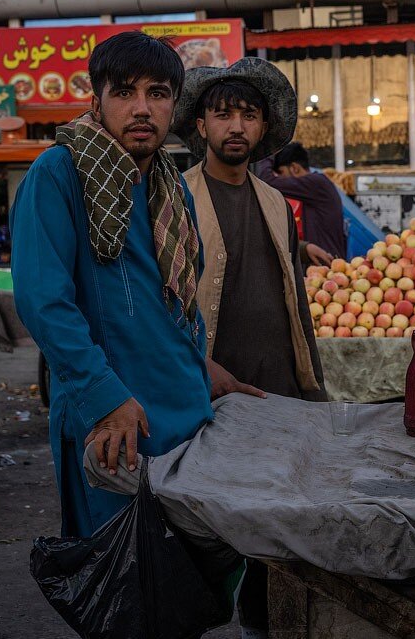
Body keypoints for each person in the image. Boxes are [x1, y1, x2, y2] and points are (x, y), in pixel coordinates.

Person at [10, 32, 261, 539]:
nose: (141, 108)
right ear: (96, 100)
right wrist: (104, 399)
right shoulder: (58, 173)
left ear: (174, 104)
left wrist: (200, 365)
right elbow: (45, 303)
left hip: (183, 414)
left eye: (157, 93)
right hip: (115, 423)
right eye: (124, 93)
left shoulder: (170, 185)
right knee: (126, 587)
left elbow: (171, 303)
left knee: (186, 587)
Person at [173, 58, 326, 639]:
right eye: (223, 114)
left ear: (263, 128)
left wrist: (310, 383)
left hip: (277, 389)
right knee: (203, 529)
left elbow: (296, 300)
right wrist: (190, 367)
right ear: (201, 126)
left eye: (248, 115)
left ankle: (262, 623)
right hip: (207, 390)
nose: (236, 125)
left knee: (276, 531)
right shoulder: (177, 199)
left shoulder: (274, 202)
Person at [256, 141, 347, 262]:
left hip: (327, 265)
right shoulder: (313, 188)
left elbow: (267, 181)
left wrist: (268, 153)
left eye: (281, 173)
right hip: (324, 266)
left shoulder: (315, 183)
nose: (281, 179)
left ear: (294, 168)